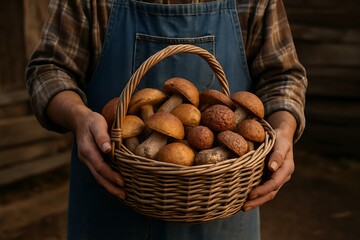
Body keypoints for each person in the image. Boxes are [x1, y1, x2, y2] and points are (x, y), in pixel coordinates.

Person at [26, 0, 307, 239]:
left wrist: (283, 128)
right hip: (112, 194)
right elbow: (48, 70)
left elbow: (281, 76)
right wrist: (79, 117)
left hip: (222, 206)